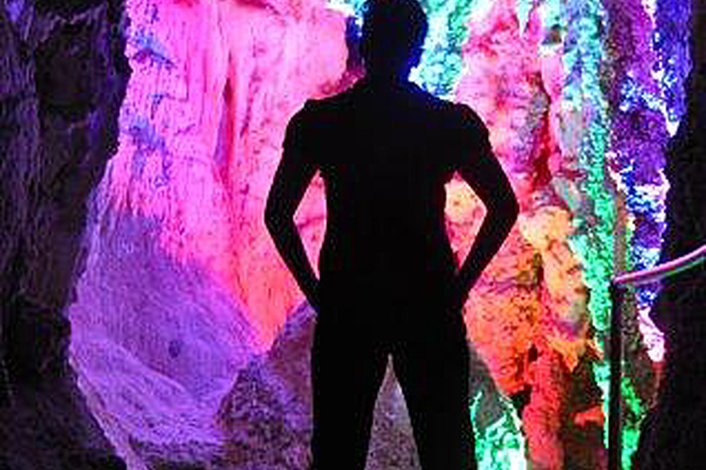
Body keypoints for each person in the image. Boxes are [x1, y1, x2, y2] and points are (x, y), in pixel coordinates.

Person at [265, 1, 519, 468]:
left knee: (338, 450)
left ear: (363, 45)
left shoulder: (321, 122)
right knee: (447, 447)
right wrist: (459, 286)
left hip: (349, 301)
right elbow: (503, 207)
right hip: (427, 300)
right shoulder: (448, 123)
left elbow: (277, 215)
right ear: (417, 52)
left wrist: (316, 292)